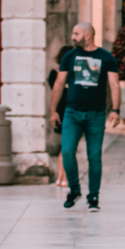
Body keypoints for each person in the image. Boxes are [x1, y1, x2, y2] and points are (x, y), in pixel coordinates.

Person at [50, 23, 120, 212]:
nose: (73, 37)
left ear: (87, 36)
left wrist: (115, 110)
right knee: (67, 152)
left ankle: (94, 196)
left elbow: (114, 85)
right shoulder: (69, 56)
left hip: (96, 114)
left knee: (94, 156)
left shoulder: (106, 57)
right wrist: (53, 110)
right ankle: (74, 189)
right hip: (71, 113)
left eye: (76, 34)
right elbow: (58, 84)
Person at [47, 45, 74, 188]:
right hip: (67, 113)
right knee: (67, 147)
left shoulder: (54, 74)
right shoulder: (64, 75)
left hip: (60, 112)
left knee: (64, 147)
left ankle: (60, 177)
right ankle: (64, 178)